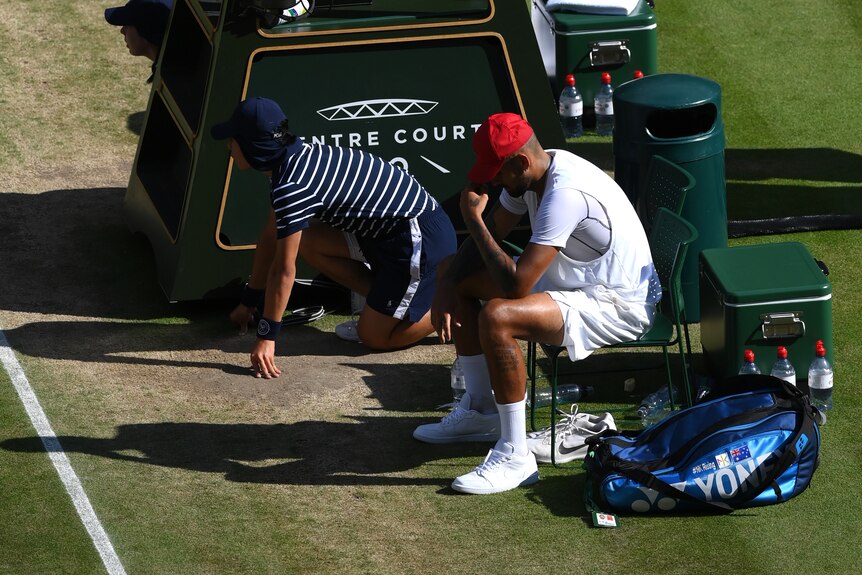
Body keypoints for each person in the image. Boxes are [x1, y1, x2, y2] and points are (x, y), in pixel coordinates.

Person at [414, 113, 660, 494]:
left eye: (498, 172)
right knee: (456, 270)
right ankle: (482, 410)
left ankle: (515, 456)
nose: (493, 181)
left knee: (499, 316)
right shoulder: (536, 171)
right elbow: (498, 231)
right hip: (576, 283)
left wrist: (472, 220)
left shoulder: (564, 195)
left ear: (521, 162)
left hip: (616, 303)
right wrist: (448, 282)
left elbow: (514, 286)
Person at [211, 97, 457, 377]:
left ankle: (456, 303)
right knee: (306, 240)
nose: (228, 146)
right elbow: (270, 236)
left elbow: (283, 270)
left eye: (233, 140)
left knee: (374, 336)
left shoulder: (291, 184)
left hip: (418, 240)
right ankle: (384, 307)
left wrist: (267, 337)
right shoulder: (290, 160)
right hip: (388, 235)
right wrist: (249, 301)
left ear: (254, 147)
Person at [104, 0, 173, 83]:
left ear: (147, 29)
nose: (122, 31)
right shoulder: (172, 71)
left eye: (127, 25)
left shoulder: (174, 81)